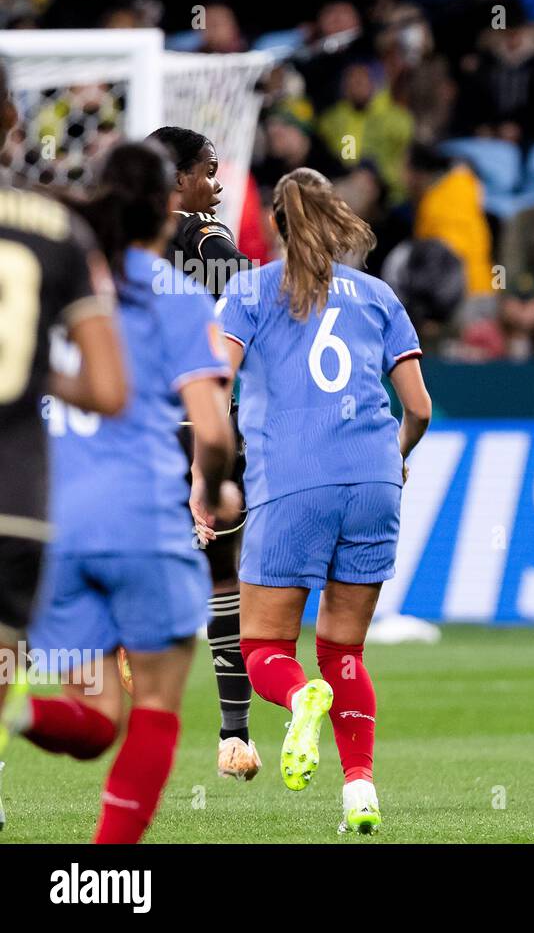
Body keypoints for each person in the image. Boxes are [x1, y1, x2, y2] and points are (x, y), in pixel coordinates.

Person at [8, 141, 235, 844]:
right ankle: (111, 867)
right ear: (165, 214)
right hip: (142, 521)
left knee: (98, 716)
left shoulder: (61, 270)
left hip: (55, 527)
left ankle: (11, 715)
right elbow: (215, 430)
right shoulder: (176, 292)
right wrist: (215, 487)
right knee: (156, 707)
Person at [217, 167, 432, 833]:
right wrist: (390, 459)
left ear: (276, 227)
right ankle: (360, 791)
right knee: (345, 653)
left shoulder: (249, 292)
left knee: (263, 650)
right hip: (373, 479)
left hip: (290, 483)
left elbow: (212, 386)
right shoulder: (376, 295)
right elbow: (420, 407)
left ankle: (299, 697)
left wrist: (210, 480)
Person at [0, 61, 128, 829]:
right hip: (16, 498)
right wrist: (30, 372)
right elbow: (110, 391)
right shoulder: (58, 228)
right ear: (13, 124)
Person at [148, 125, 262, 782]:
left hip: (129, 430)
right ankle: (233, 736)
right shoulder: (200, 234)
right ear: (179, 181)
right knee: (225, 576)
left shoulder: (111, 245)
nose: (217, 185)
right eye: (209, 172)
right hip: (199, 423)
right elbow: (249, 289)